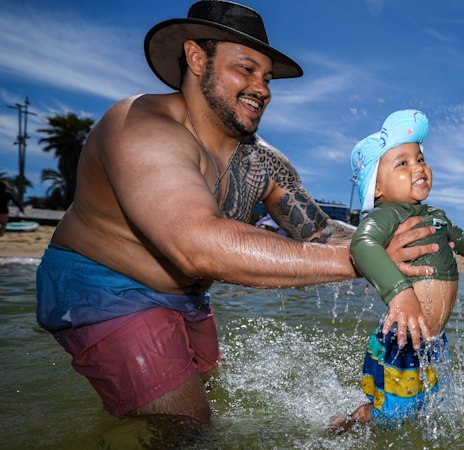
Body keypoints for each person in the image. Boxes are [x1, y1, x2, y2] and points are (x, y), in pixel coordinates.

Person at [35, 1, 438, 424]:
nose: (261, 88)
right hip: (102, 288)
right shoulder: (139, 126)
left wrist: (403, 234)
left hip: (188, 296)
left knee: (214, 398)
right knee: (186, 426)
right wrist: (365, 260)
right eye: (245, 69)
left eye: (266, 77)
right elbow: (197, 246)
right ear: (196, 58)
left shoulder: (264, 163)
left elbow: (319, 233)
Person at [330, 109, 464, 433]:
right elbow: (362, 246)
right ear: (377, 187)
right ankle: (349, 421)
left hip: (432, 338)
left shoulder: (436, 213)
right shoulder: (385, 216)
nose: (418, 167)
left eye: (420, 158)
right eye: (402, 162)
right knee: (393, 417)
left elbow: (456, 235)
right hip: (405, 336)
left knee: (430, 403)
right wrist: (400, 294)